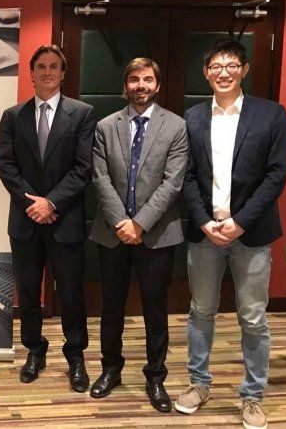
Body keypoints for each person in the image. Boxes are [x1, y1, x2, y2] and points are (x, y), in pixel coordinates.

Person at [176, 39, 286, 429]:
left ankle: (253, 396)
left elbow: (276, 175)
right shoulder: (192, 117)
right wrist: (204, 221)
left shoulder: (271, 115)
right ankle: (199, 383)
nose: (223, 72)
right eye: (216, 66)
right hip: (205, 233)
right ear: (206, 73)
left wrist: (240, 221)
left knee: (253, 318)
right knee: (201, 311)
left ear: (244, 70)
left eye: (231, 65)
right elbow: (187, 176)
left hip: (251, 233)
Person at [89, 58, 188, 412]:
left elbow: (173, 182)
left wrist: (140, 223)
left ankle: (155, 377)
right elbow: (100, 178)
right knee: (111, 306)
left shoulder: (176, 126)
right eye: (134, 79)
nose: (140, 85)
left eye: (147, 79)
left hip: (157, 234)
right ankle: (110, 370)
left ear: (157, 86)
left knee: (155, 309)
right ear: (125, 85)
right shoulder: (105, 126)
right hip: (112, 232)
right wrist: (122, 222)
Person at [0, 45, 95, 389]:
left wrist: (51, 203)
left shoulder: (82, 114)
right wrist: (33, 204)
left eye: (54, 66)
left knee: (71, 293)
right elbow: (5, 166)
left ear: (63, 73)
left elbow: (84, 168)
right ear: (31, 73)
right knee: (27, 291)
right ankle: (34, 350)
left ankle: (76, 356)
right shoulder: (13, 116)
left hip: (65, 220)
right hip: (25, 221)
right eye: (41, 66)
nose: (48, 72)